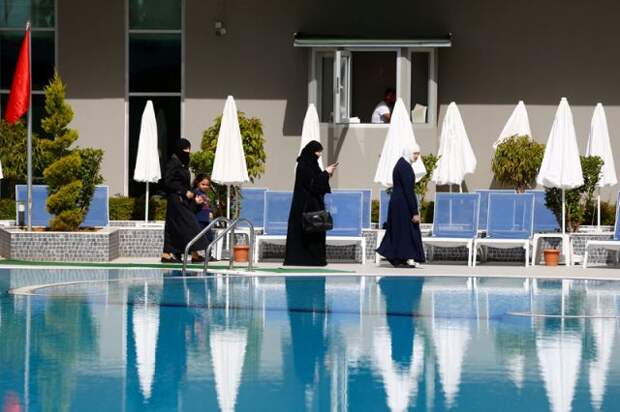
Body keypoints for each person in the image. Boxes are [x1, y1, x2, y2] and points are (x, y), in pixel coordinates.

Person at [284, 141, 338, 266]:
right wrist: (326, 172)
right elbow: (312, 184)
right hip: (305, 207)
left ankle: (314, 259)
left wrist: (327, 174)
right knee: (308, 232)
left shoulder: (312, 164)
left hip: (312, 205)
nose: (319, 155)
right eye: (317, 152)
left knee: (315, 232)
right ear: (311, 152)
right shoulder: (304, 165)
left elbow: (317, 181)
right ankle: (305, 259)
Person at [376, 143, 425, 268]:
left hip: (398, 203)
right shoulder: (405, 167)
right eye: (415, 153)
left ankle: (400, 257)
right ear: (408, 152)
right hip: (403, 204)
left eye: (418, 153)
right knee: (408, 230)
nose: (417, 156)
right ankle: (406, 257)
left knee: (400, 230)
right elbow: (409, 191)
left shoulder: (401, 164)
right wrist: (415, 212)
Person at [161, 138, 207, 263]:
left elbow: (184, 183)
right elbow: (168, 182)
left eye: (189, 149)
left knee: (176, 226)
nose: (188, 152)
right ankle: (192, 253)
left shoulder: (181, 163)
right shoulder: (173, 163)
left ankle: (168, 254)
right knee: (190, 223)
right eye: (186, 149)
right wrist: (183, 191)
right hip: (176, 199)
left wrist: (193, 195)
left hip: (182, 200)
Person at [193, 174, 215, 256]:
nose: (205, 186)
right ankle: (195, 255)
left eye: (207, 185)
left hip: (205, 220)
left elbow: (207, 205)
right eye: (203, 184)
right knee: (197, 238)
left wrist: (210, 212)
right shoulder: (196, 192)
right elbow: (193, 204)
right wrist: (196, 202)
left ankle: (208, 255)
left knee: (209, 237)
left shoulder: (205, 194)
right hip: (198, 219)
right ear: (197, 183)